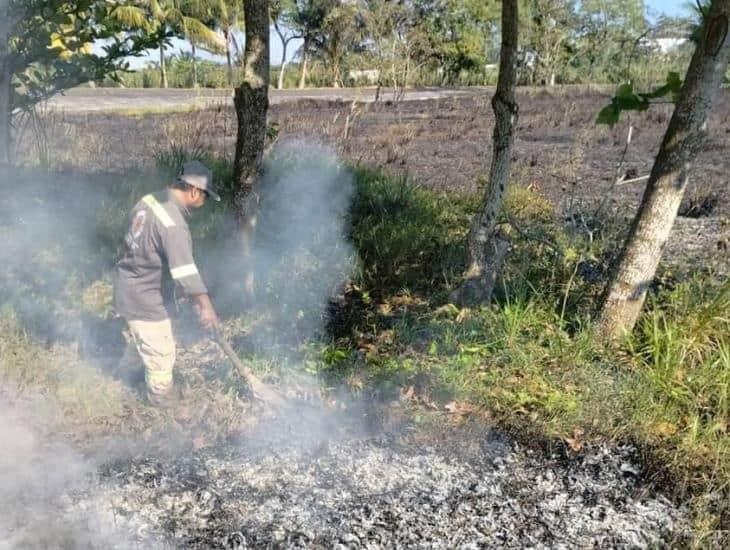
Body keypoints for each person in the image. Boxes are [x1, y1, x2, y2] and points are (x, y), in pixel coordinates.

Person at [114, 160, 220, 405]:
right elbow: (186, 272)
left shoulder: (150, 199)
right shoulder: (173, 225)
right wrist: (206, 307)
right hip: (144, 295)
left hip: (128, 283)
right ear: (194, 191)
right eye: (205, 197)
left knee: (147, 338)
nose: (203, 204)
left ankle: (124, 376)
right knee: (162, 352)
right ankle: (161, 400)